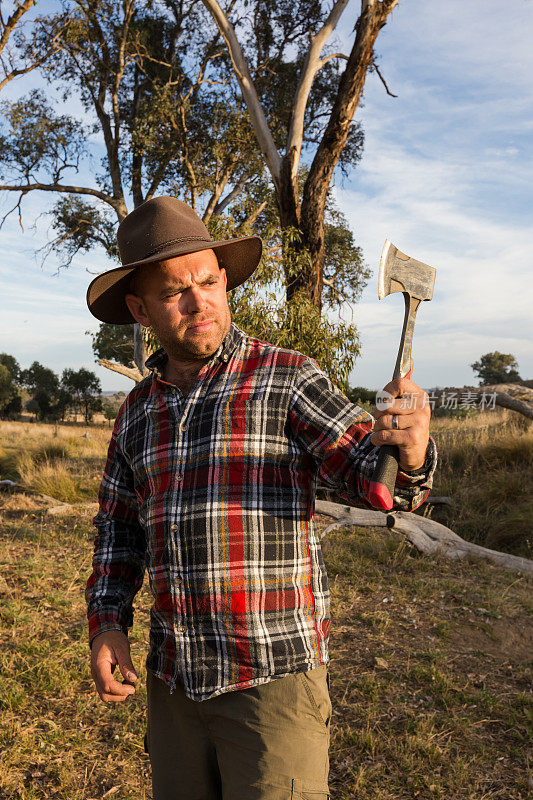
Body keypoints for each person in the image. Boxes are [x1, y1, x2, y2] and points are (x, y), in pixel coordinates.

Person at [85, 196, 437, 800]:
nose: (199, 302)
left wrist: (408, 453)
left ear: (225, 281)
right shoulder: (137, 413)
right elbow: (119, 532)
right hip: (174, 681)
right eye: (176, 292)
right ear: (141, 310)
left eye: (207, 281)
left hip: (272, 680)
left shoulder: (286, 378)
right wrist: (106, 623)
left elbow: (369, 476)